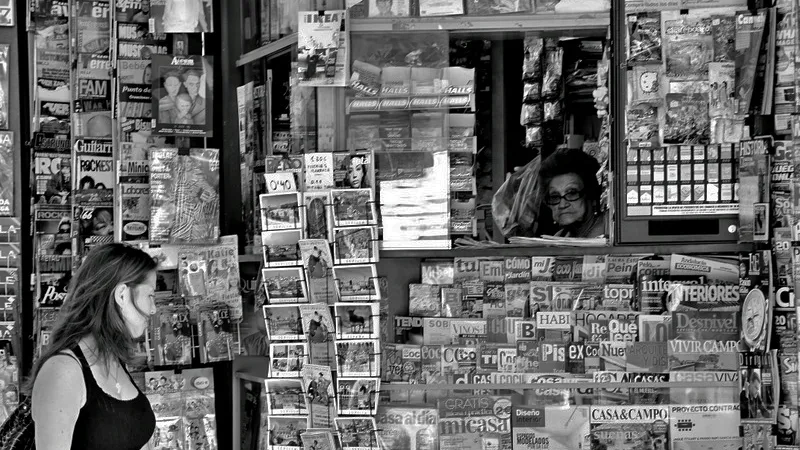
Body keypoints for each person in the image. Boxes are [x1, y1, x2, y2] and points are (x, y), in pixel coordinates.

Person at [27, 243, 158, 449]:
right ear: (122, 295)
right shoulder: (63, 371)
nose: (153, 309)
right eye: (150, 295)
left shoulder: (112, 358)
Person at [539, 148, 605, 238]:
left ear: (591, 194)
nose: (562, 205)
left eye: (572, 193)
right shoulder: (560, 237)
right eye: (555, 197)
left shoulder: (608, 235)